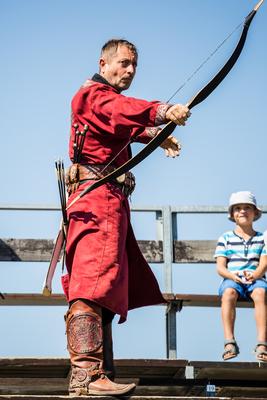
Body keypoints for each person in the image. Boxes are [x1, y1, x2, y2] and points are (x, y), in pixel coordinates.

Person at [63, 38, 191, 396]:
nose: (130, 70)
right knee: (91, 283)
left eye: (134, 65)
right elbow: (119, 111)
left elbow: (120, 124)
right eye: (122, 63)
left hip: (106, 203)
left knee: (104, 284)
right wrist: (162, 112)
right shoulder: (92, 95)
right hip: (96, 202)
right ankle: (86, 376)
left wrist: (156, 134)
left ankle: (100, 372)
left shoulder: (103, 103)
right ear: (103, 64)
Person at [214, 191, 267, 363]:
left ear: (255, 213)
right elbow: (221, 268)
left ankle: (262, 344)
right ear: (232, 214)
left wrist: (255, 275)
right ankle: (229, 342)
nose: (242, 211)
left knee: (260, 293)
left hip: (256, 279)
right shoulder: (226, 238)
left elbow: (264, 263)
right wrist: (233, 276)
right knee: (228, 293)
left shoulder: (262, 238)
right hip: (232, 279)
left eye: (247, 208)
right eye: (238, 208)